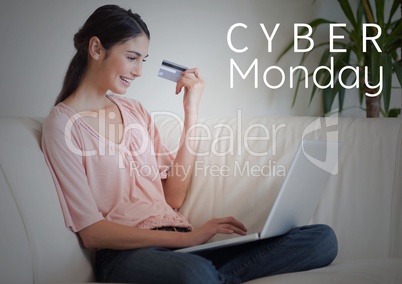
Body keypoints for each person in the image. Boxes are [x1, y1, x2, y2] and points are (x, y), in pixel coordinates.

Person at [41, 4, 338, 284]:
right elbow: (93, 233)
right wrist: (186, 240)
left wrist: (191, 110)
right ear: (96, 49)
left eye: (142, 61)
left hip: (180, 246)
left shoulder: (135, 111)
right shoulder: (62, 125)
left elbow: (173, 197)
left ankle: (210, 277)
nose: (138, 71)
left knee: (322, 239)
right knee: (194, 273)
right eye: (131, 57)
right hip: (126, 254)